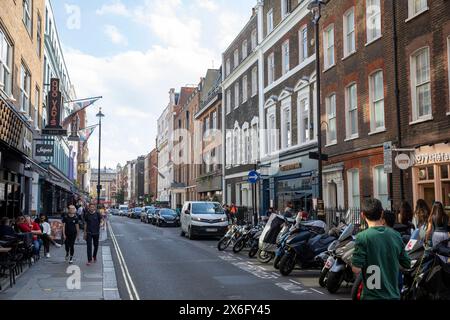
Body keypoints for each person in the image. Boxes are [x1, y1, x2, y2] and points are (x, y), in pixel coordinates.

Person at [352, 198, 411, 300]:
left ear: (363, 215)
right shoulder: (396, 235)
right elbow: (407, 263)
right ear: (382, 213)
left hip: (371, 295)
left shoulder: (362, 237)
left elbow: (356, 268)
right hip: (393, 295)